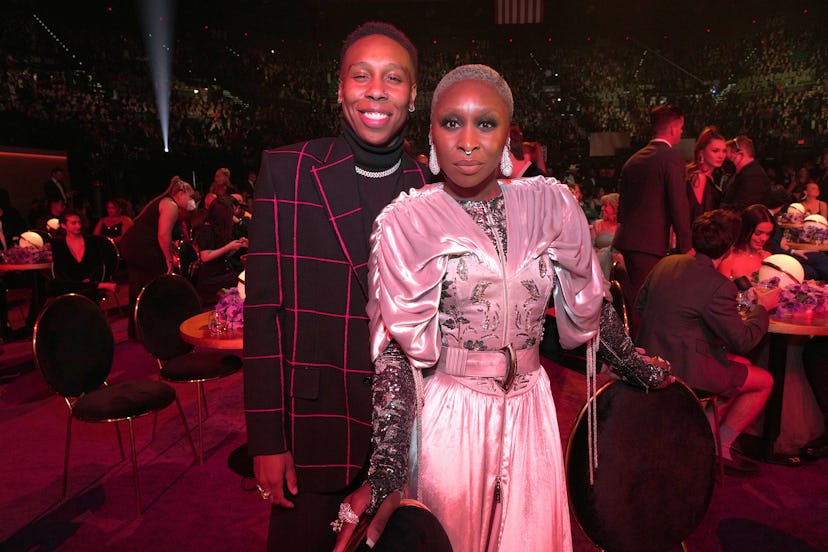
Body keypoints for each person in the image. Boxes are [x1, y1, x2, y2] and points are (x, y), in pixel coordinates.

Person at [334, 65, 670, 552]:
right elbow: (396, 353)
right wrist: (386, 465)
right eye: (451, 123)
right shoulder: (406, 222)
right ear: (430, 134)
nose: (467, 141)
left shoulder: (551, 204)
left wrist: (637, 366)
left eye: (485, 123)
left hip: (533, 412)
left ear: (508, 135)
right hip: (451, 420)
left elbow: (590, 303)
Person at [243, 22, 433, 551]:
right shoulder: (288, 171)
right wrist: (267, 438)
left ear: (412, 95)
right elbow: (263, 314)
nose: (376, 89)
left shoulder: (432, 192)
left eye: (393, 78)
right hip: (312, 434)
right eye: (361, 75)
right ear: (340, 88)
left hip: (408, 441)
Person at [636, 209, 777, 474]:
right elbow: (743, 340)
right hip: (683, 369)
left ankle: (702, 434)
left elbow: (640, 306)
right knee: (764, 381)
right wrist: (763, 308)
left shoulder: (667, 263)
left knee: (741, 364)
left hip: (650, 358)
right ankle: (718, 447)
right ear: (729, 248)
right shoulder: (719, 285)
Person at [613, 103, 692, 334]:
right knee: (645, 301)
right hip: (649, 243)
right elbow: (679, 205)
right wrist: (686, 247)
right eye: (680, 128)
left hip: (629, 239)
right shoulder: (671, 158)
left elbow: (623, 206)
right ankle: (641, 353)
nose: (681, 133)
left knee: (637, 298)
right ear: (674, 128)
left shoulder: (633, 160)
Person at [119, 176, 196, 337]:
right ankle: (161, 328)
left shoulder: (162, 200)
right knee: (160, 283)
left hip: (130, 244)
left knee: (138, 285)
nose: (190, 201)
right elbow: (163, 235)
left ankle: (137, 330)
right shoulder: (171, 205)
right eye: (190, 196)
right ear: (181, 193)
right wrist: (168, 259)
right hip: (143, 247)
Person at [49, 209, 116, 298]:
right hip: (71, 281)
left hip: (90, 278)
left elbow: (99, 264)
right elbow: (60, 269)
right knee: (53, 284)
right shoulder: (58, 244)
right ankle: (97, 285)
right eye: (74, 223)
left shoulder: (93, 241)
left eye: (79, 222)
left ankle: (91, 286)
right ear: (63, 225)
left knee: (78, 289)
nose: (78, 226)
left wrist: (91, 278)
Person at [193, 196, 247, 304]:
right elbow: (205, 256)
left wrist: (238, 245)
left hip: (222, 271)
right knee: (244, 280)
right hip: (212, 277)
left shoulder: (217, 228)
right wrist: (228, 247)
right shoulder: (206, 230)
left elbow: (221, 254)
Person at [717, 204, 775, 280]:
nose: (764, 238)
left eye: (768, 234)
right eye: (758, 233)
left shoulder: (768, 258)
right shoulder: (728, 259)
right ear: (745, 230)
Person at [721, 135, 771, 212]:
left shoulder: (754, 177)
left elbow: (742, 209)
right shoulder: (743, 174)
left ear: (740, 154)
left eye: (728, 157)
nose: (724, 160)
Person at [686, 126, 725, 223]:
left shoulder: (707, 177)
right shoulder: (700, 177)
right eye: (715, 151)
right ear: (702, 153)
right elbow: (696, 214)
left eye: (724, 151)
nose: (721, 156)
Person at [590, 192, 622, 278]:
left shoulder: (624, 226)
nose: (602, 208)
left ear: (615, 207)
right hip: (598, 264)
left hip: (619, 266)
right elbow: (589, 249)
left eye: (605, 206)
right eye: (602, 206)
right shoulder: (597, 225)